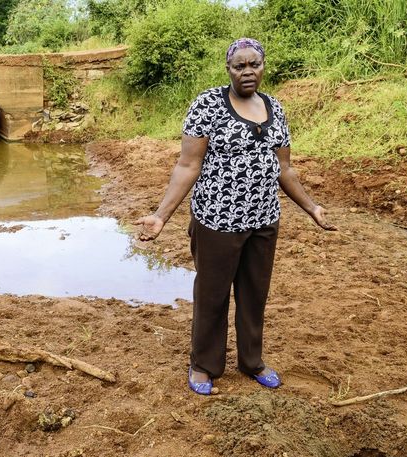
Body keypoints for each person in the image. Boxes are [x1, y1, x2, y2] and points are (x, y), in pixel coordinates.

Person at [134, 38, 337, 395]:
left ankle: (252, 361)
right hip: (217, 221)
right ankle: (204, 365)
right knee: (212, 295)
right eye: (239, 66)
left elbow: (284, 169)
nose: (247, 72)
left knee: (254, 293)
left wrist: (312, 207)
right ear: (228, 69)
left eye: (253, 64)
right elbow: (188, 164)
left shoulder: (275, 108)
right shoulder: (208, 105)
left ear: (263, 66)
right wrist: (161, 215)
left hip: (263, 221)